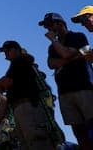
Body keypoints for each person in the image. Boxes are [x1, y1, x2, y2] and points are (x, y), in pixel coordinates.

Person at [40, 12, 93, 149]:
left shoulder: (77, 37)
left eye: (50, 25)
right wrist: (71, 58)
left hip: (84, 86)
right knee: (78, 129)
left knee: (91, 123)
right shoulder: (52, 48)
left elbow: (65, 54)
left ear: (60, 23)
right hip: (64, 91)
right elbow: (51, 63)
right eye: (47, 27)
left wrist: (56, 43)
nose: (48, 29)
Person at [0, 40, 61, 150]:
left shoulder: (21, 62)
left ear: (17, 50)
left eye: (8, 50)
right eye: (4, 51)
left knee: (36, 139)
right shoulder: (17, 64)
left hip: (28, 105)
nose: (6, 53)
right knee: (27, 142)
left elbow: (7, 83)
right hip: (20, 106)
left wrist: (2, 82)